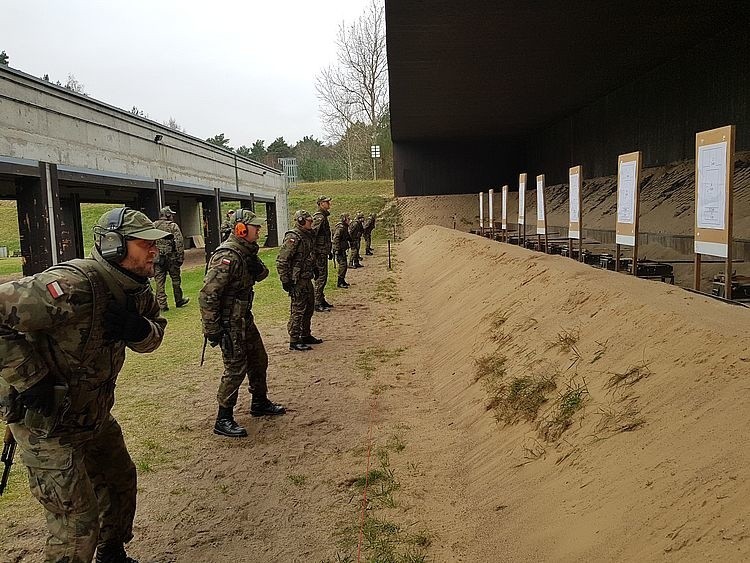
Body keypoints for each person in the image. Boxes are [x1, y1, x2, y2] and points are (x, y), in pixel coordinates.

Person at [0, 207, 170, 563]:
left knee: (119, 479)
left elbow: (155, 333)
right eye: (145, 245)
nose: (155, 251)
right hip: (46, 423)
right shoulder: (74, 286)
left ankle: (112, 553)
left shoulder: (136, 290)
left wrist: (138, 330)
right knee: (77, 521)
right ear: (113, 247)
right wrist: (30, 378)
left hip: (90, 413)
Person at [199, 208, 285, 438]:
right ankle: (223, 418)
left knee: (259, 360)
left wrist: (258, 268)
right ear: (241, 229)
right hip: (229, 323)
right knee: (235, 368)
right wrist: (212, 328)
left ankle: (259, 402)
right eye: (255, 227)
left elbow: (262, 273)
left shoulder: (246, 253)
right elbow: (208, 294)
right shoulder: (226, 255)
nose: (259, 231)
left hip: (243, 318)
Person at [276, 210, 321, 351]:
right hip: (298, 280)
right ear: (301, 221)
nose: (311, 223)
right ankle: (294, 340)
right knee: (298, 310)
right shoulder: (293, 237)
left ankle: (305, 334)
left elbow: (309, 255)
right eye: (309, 221)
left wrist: (315, 268)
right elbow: (282, 260)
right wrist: (285, 280)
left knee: (309, 308)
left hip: (307, 278)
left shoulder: (307, 236)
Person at [153, 205, 189, 311]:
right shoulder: (173, 226)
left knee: (159, 282)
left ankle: (162, 305)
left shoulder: (153, 225)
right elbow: (179, 242)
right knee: (176, 280)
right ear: (168, 215)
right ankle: (178, 300)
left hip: (158, 259)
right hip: (171, 258)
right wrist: (180, 257)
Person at [312, 195, 334, 313]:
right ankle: (317, 302)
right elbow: (313, 234)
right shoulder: (319, 217)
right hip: (319, 253)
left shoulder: (324, 216)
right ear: (321, 204)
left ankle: (321, 299)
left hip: (323, 251)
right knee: (320, 277)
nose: (329, 203)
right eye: (326, 202)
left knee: (323, 277)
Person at [332, 213, 352, 288]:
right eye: (348, 219)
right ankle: (340, 282)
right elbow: (336, 238)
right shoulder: (340, 227)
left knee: (344, 265)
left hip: (342, 249)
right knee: (343, 265)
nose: (349, 220)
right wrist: (337, 249)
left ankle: (342, 280)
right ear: (344, 219)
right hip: (339, 249)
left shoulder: (344, 227)